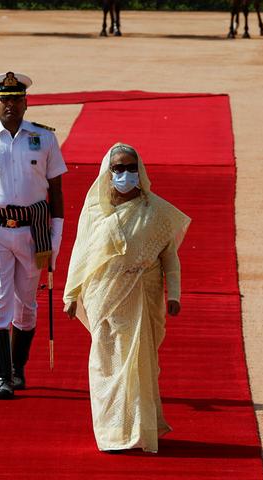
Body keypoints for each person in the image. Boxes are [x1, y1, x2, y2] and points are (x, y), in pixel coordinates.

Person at [62, 144, 191, 454]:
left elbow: (170, 258)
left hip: (143, 298)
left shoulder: (156, 211)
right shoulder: (95, 208)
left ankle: (139, 431)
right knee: (106, 364)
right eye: (118, 168)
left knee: (137, 364)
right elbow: (81, 252)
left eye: (130, 167)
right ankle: (110, 432)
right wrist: (71, 293)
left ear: (140, 170)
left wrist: (174, 294)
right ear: (108, 173)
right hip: (103, 298)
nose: (125, 174)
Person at [0, 71, 66, 400]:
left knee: (27, 304)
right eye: (4, 99)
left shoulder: (44, 139)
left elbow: (57, 192)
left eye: (16, 99)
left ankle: (19, 369)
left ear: (26, 102)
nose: (10, 105)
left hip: (34, 232)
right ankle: (3, 377)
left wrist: (56, 236)